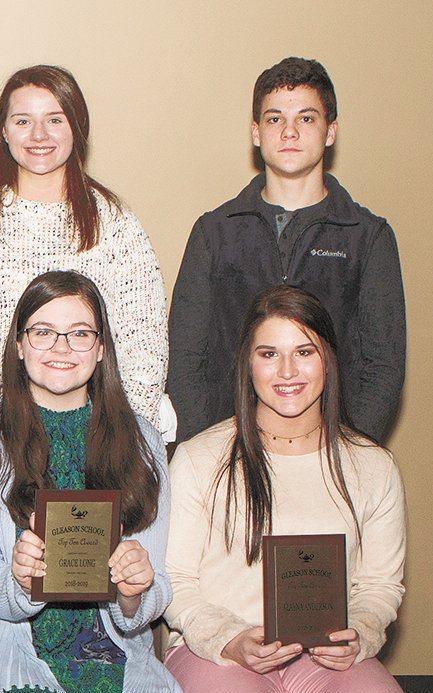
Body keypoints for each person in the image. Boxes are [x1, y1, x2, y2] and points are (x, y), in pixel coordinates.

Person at [0, 270, 179, 693]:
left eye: (80, 333)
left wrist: (132, 592)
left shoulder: (142, 440)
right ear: (18, 344)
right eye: (43, 332)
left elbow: (154, 586)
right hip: (3, 646)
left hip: (116, 651)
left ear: (102, 347)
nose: (61, 348)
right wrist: (19, 582)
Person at [164, 286, 405, 693]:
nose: (287, 372)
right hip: (219, 652)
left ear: (328, 359)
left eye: (304, 352)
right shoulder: (198, 458)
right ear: (249, 364)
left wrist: (360, 633)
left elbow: (381, 586)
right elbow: (175, 580)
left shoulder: (372, 466)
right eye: (269, 354)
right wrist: (229, 639)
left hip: (327, 659)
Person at [0, 65, 167, 447]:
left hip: (96, 444)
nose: (39, 135)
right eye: (23, 120)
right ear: (4, 131)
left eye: (55, 119)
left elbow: (145, 349)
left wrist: (104, 441)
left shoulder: (116, 225)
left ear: (76, 128)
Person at [168, 57, 405, 443]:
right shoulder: (214, 232)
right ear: (256, 132)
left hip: (332, 457)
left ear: (331, 131)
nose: (289, 132)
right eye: (275, 119)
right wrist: (207, 448)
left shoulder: (367, 236)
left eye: (307, 118)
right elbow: (185, 359)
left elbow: (383, 367)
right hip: (229, 454)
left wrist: (349, 451)